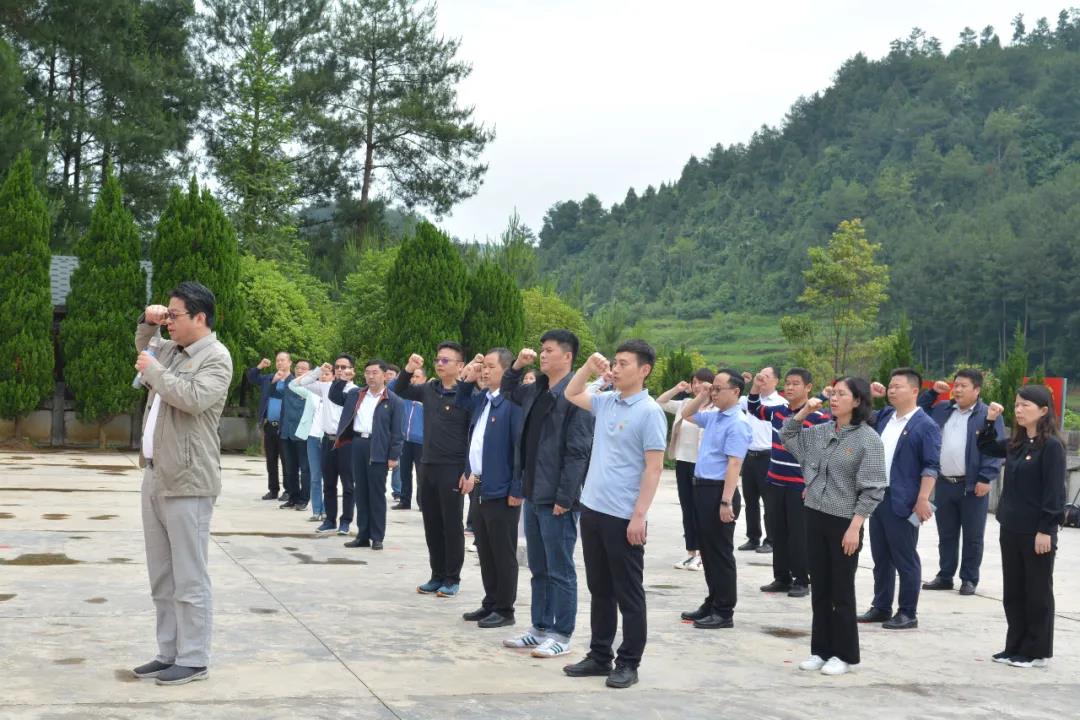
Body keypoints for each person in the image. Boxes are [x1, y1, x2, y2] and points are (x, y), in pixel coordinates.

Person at [130, 282, 233, 686]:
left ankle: (193, 658)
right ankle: (168, 652)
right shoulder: (173, 350)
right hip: (156, 473)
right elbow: (146, 346)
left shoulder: (216, 357)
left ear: (200, 318)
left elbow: (191, 398)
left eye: (175, 316)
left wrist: (153, 370)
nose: (169, 323)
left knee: (189, 575)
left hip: (189, 479)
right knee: (162, 574)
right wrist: (147, 320)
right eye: (167, 315)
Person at [561, 341, 667, 690]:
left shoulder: (649, 412)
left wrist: (639, 515)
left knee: (628, 593)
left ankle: (629, 662)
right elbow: (571, 394)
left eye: (623, 364)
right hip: (593, 508)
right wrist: (589, 369)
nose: (616, 368)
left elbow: (654, 468)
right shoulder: (607, 401)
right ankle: (599, 655)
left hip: (623, 515)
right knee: (600, 589)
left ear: (644, 370)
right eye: (615, 363)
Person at [781, 377, 887, 676]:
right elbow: (787, 435)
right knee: (820, 588)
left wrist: (855, 526)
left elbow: (873, 488)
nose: (834, 399)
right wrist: (804, 411)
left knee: (841, 590)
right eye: (833, 394)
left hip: (844, 521)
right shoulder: (821, 431)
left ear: (858, 401)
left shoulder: (868, 440)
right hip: (814, 514)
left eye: (842, 394)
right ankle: (820, 650)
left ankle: (845, 655)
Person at [500, 331, 594, 659]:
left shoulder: (576, 397)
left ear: (567, 357)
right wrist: (516, 366)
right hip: (533, 490)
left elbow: (578, 452)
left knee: (560, 569)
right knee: (539, 567)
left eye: (549, 350)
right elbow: (508, 390)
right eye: (541, 350)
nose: (542, 355)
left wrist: (565, 498)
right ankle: (539, 628)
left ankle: (561, 634)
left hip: (557, 497)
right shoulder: (537, 389)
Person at [979, 387, 1066, 668]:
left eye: (1025, 405)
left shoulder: (1051, 446)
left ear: (1043, 410)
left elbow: (1055, 491)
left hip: (1036, 530)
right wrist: (990, 420)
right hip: (1011, 527)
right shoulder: (1017, 443)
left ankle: (1036, 651)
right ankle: (1014, 646)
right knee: (1014, 591)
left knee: (1037, 592)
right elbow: (986, 446)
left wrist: (1046, 529)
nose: (1018, 410)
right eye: (1016, 405)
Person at [858, 368, 942, 630]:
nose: (892, 390)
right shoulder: (885, 416)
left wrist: (923, 499)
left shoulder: (925, 425)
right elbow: (859, 417)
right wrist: (868, 395)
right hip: (878, 496)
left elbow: (931, 466)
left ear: (914, 391)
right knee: (881, 557)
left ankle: (908, 612)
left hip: (904, 501)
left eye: (898, 386)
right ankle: (881, 606)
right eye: (890, 386)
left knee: (905, 558)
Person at [391, 342, 472, 597]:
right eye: (438, 359)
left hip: (453, 467)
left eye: (446, 360)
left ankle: (452, 577)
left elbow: (473, 435)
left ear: (460, 365)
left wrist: (468, 470)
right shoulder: (429, 389)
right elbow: (399, 389)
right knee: (432, 523)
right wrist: (408, 369)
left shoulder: (466, 394)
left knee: (451, 524)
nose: (439, 364)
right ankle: (436, 575)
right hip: (428, 465)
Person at [919, 369, 1006, 595]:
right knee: (946, 534)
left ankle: (969, 578)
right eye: (955, 385)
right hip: (944, 483)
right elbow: (919, 411)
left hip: (972, 485)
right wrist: (932, 393)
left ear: (977, 390)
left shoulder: (988, 414)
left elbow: (995, 448)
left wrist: (986, 477)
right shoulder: (943, 409)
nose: (957, 390)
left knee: (972, 536)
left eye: (963, 386)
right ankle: (945, 575)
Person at [678, 369, 752, 630]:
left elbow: (734, 464)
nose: (715, 392)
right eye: (714, 388)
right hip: (703, 489)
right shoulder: (715, 416)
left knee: (720, 553)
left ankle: (724, 610)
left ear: (736, 391)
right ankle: (712, 602)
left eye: (719, 389)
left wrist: (726, 502)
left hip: (720, 492)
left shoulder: (737, 422)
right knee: (708, 552)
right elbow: (687, 414)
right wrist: (703, 394)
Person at [746, 368, 830, 598]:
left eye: (796, 383)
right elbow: (753, 407)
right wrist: (756, 385)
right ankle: (781, 577)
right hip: (775, 481)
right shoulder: (778, 411)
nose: (790, 387)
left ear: (808, 387)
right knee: (778, 532)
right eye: (788, 383)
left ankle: (802, 579)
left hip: (799, 486)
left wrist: (813, 484)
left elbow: (824, 454)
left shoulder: (819, 417)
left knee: (799, 534)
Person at [457, 348, 523, 628]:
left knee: (502, 552)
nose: (485, 371)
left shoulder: (512, 403)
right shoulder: (484, 399)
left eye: (491, 367)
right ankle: (490, 602)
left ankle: (505, 609)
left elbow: (519, 449)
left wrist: (517, 488)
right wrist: (468, 376)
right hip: (479, 486)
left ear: (507, 371)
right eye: (483, 366)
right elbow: (461, 400)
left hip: (502, 488)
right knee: (484, 548)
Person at [334, 359, 404, 551]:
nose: (371, 376)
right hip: (358, 444)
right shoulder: (356, 394)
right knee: (360, 492)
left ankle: (377, 536)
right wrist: (342, 379)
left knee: (376, 493)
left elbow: (397, 432)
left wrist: (394, 456)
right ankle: (362, 535)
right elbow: (334, 396)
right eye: (367, 373)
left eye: (375, 372)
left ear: (384, 375)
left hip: (378, 448)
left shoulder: (393, 400)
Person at [656, 368, 716, 570]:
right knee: (687, 508)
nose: (696, 385)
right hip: (683, 462)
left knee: (701, 509)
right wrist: (677, 388)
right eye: (694, 382)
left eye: (701, 382)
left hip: (702, 465)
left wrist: (706, 394)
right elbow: (660, 402)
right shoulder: (685, 404)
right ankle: (691, 552)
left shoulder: (714, 408)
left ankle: (704, 554)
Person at [298, 355, 357, 535]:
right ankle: (330, 519)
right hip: (327, 439)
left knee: (348, 484)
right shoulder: (326, 386)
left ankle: (345, 521)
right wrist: (319, 370)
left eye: (344, 367)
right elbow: (302, 382)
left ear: (352, 370)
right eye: (337, 367)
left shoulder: (355, 390)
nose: (340, 370)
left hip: (346, 441)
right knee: (329, 483)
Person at [738, 366, 785, 553]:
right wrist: (747, 384)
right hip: (749, 455)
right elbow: (731, 397)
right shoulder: (748, 401)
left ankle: (771, 540)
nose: (762, 379)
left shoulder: (781, 403)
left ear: (776, 381)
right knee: (750, 500)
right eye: (760, 375)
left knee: (770, 501)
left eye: (766, 376)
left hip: (769, 456)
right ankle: (753, 537)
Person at [246, 352, 294, 501]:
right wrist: (260, 367)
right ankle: (273, 490)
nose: (280, 363)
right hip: (269, 426)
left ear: (290, 363)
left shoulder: (294, 381)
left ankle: (289, 490)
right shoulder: (269, 378)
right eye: (277, 360)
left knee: (287, 460)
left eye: (283, 360)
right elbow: (251, 378)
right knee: (271, 460)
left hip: (284, 427)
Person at [289, 363, 333, 522]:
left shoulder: (336, 393)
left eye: (327, 374)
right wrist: (315, 372)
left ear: (334, 377)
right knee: (315, 476)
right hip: (313, 437)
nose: (324, 377)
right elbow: (293, 384)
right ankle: (316, 510)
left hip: (328, 438)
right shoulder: (312, 392)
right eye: (322, 374)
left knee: (328, 477)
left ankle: (327, 510)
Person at [279, 359, 312, 511]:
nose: (299, 370)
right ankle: (293, 497)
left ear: (310, 372)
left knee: (305, 468)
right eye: (298, 368)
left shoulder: (312, 388)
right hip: (286, 432)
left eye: (304, 368)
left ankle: (304, 499)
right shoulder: (289, 385)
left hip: (303, 434)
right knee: (290, 468)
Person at [393, 368, 426, 511]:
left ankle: (422, 502)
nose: (413, 379)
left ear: (424, 379)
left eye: (417, 377)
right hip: (405, 440)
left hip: (421, 442)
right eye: (412, 377)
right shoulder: (404, 397)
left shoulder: (427, 398)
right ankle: (404, 500)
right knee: (404, 472)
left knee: (421, 474)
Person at [386, 364, 402, 501]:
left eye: (391, 374)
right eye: (386, 373)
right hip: (384, 431)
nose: (388, 376)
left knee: (397, 462)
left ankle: (398, 491)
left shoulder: (401, 390)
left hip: (397, 430)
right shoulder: (380, 390)